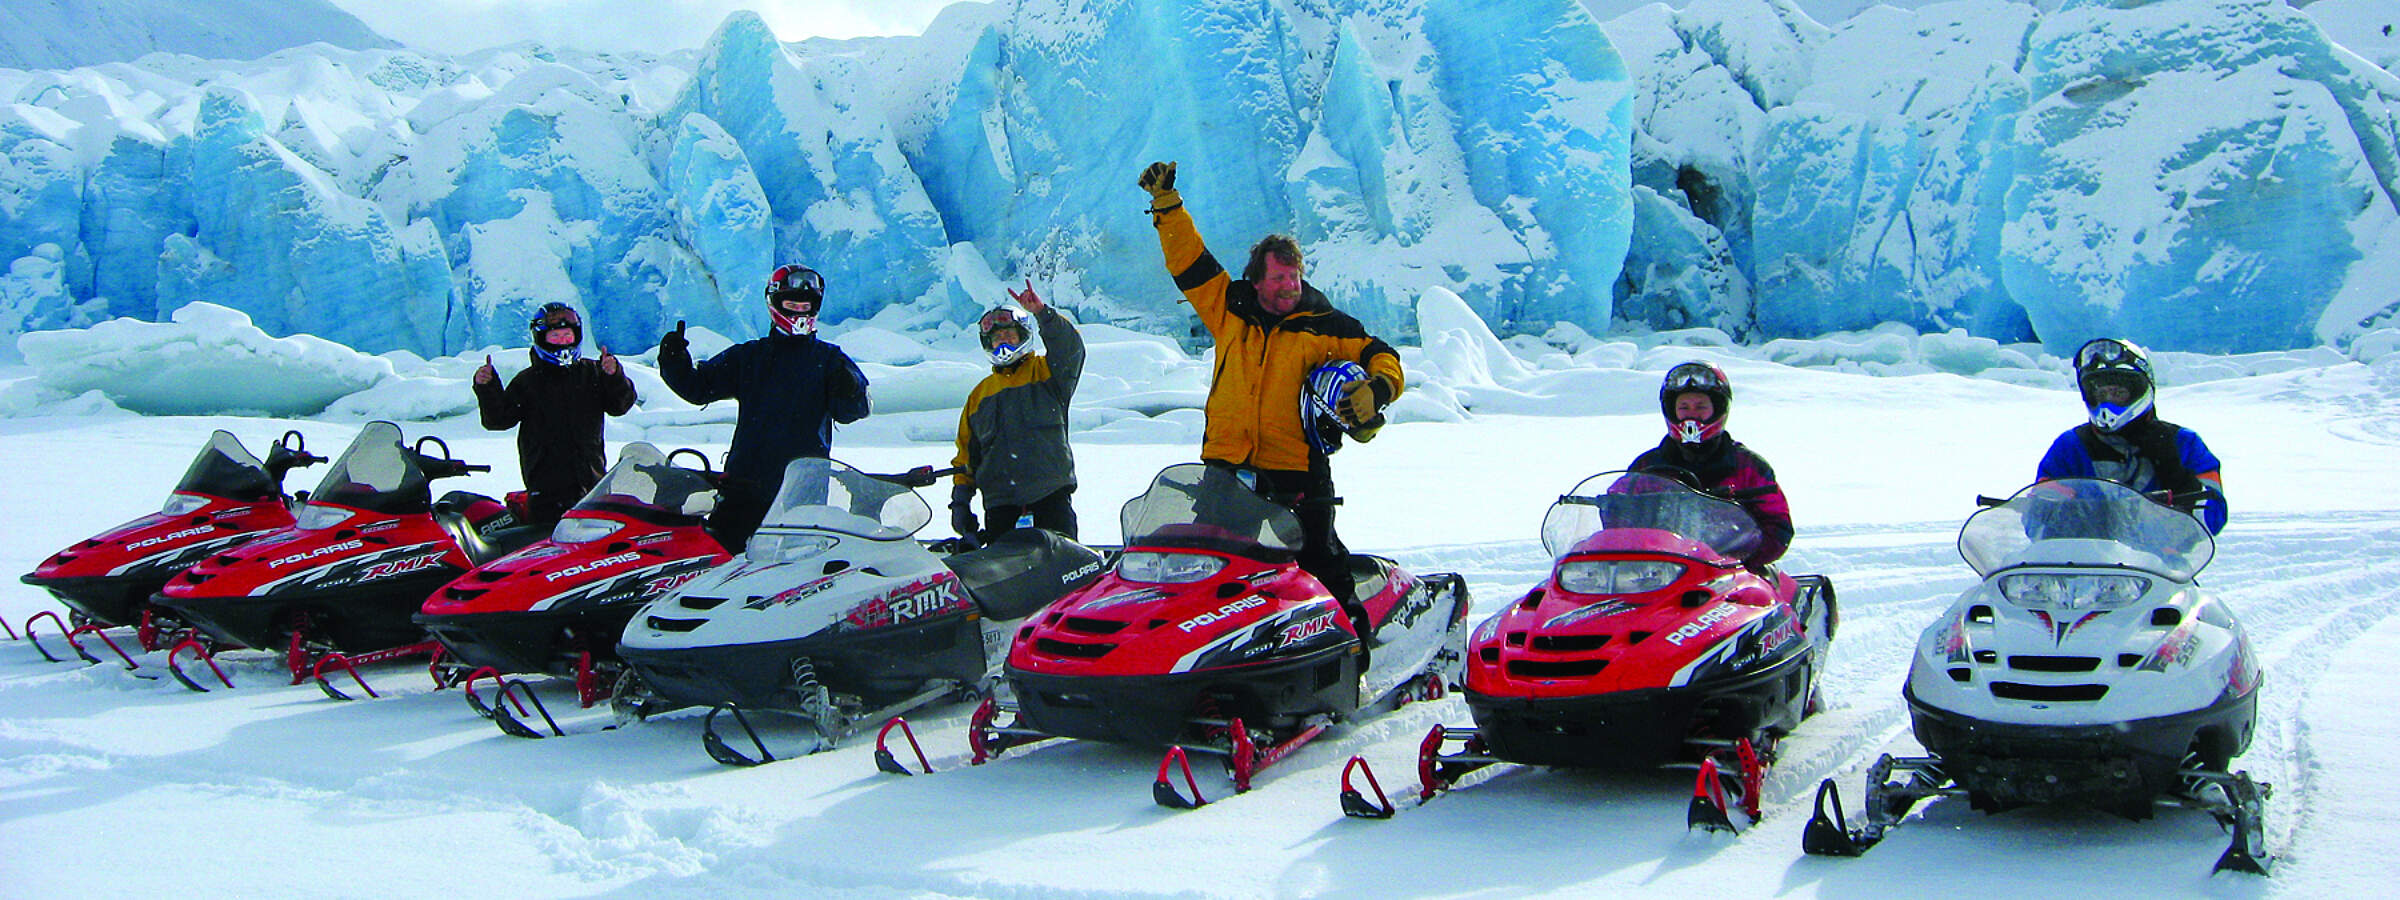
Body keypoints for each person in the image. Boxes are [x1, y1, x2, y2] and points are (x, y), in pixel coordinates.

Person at [1138, 160, 1403, 607]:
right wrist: (1167, 204)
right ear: (1257, 280)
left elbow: (1381, 355)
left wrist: (1378, 388)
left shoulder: (1323, 325)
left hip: (1296, 471)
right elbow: (1189, 260)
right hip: (1226, 465)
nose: (1290, 285)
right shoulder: (1230, 311)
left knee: (1322, 572)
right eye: (1279, 277)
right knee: (1209, 570)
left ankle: (1353, 654)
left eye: (1295, 275)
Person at [658, 264, 871, 549]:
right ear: (775, 305)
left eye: (805, 306)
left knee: (793, 579)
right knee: (719, 565)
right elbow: (698, 388)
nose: (799, 313)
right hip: (743, 490)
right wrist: (674, 361)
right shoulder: (750, 356)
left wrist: (850, 389)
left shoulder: (831, 360)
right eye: (792, 305)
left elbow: (853, 410)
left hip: (802, 494)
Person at [2036, 337, 2226, 534]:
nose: (2108, 402)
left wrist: (2180, 485)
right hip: (2081, 557)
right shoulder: (2070, 446)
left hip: (2162, 560)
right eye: (2101, 394)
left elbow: (2213, 517)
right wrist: (2071, 508)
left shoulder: (2183, 442)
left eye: (2118, 394)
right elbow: (2036, 516)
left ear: (2139, 390)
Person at [473, 302, 637, 524]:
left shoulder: (592, 373)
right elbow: (498, 419)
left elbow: (620, 406)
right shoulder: (528, 381)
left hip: (591, 484)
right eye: (555, 336)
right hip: (545, 490)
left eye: (567, 335)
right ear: (542, 338)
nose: (562, 341)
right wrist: (487, 387)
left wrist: (614, 375)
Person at [949, 279, 1086, 545]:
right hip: (1001, 507)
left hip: (1050, 499)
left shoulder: (1047, 372)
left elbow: (1070, 349)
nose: (1004, 344)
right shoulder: (980, 395)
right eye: (998, 338)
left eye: (1010, 336)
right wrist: (960, 503)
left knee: (1062, 580)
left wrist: (1041, 313)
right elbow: (967, 455)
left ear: (1023, 336)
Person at [1627, 361, 1793, 573]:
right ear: (1671, 410)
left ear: (1718, 409)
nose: (1692, 414)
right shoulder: (1647, 466)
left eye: (1701, 407)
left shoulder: (1748, 467)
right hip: (1660, 574)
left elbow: (1778, 526)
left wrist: (1741, 558)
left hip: (1733, 574)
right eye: (1684, 407)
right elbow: (1621, 522)